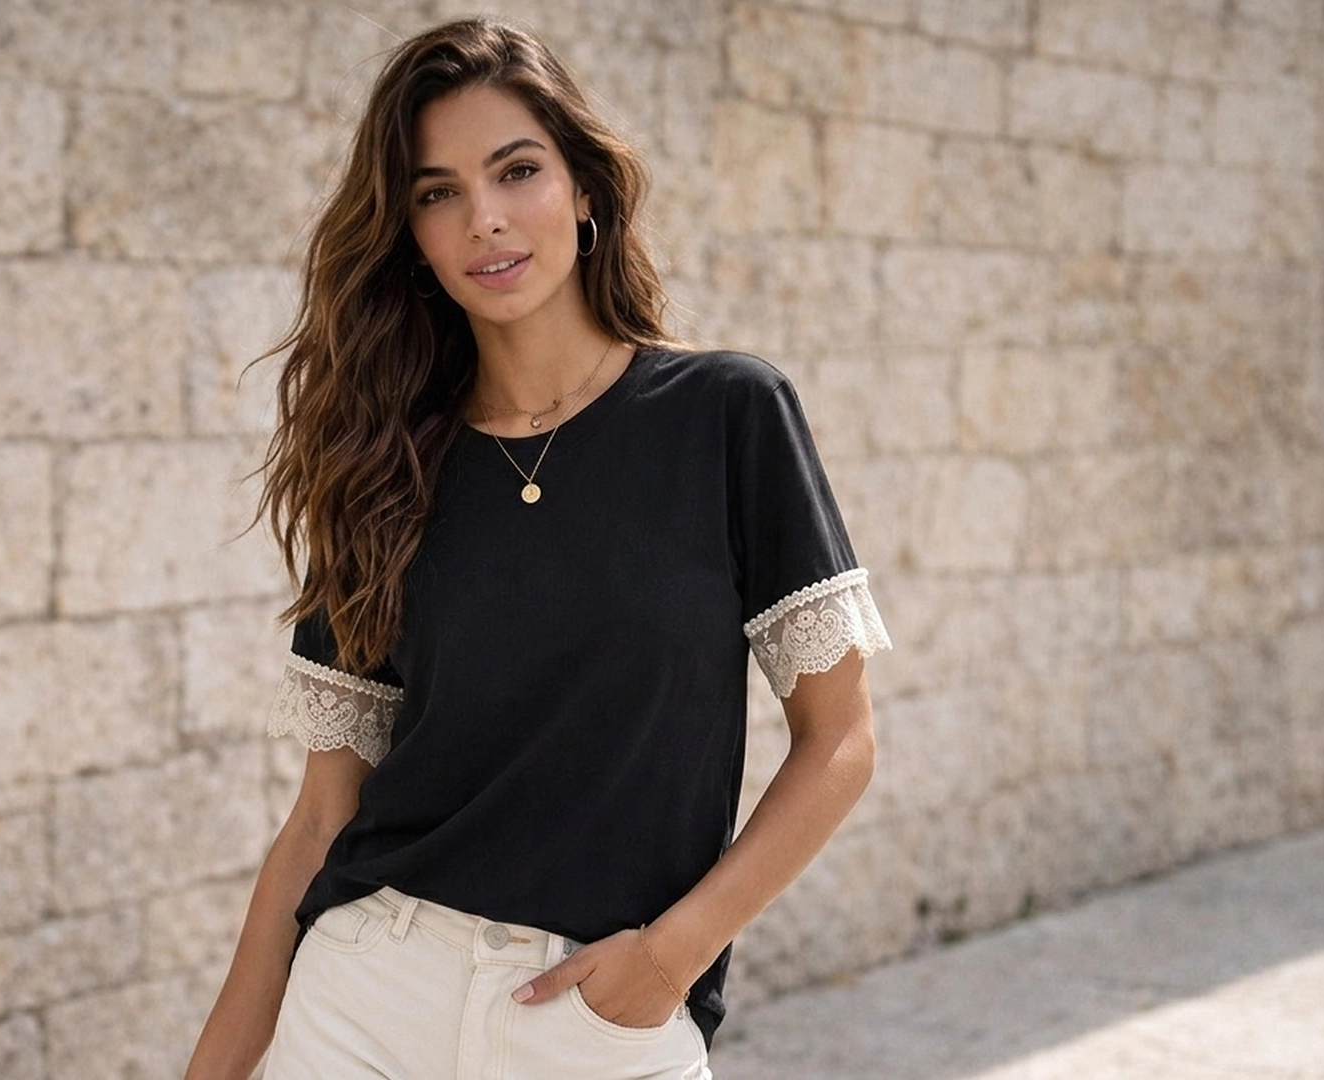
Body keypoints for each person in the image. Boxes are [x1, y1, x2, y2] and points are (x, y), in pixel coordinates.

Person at [183, 16, 892, 1080]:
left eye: (518, 171)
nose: (486, 219)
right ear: (411, 236)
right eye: (438, 193)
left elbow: (838, 741)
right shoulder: (383, 466)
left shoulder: (724, 415)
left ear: (585, 189)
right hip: (368, 995)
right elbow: (322, 817)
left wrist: (670, 959)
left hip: (597, 1018)